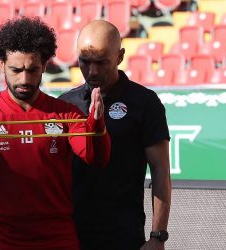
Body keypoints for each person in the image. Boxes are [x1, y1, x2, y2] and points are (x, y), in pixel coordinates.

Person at [0, 17, 111, 250]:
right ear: (1, 64)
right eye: (16, 69)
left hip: (56, 237)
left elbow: (96, 158)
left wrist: (96, 125)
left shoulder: (65, 113)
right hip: (1, 237)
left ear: (44, 65)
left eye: (33, 70)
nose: (24, 79)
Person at [59, 20, 171, 250]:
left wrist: (157, 236)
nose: (92, 71)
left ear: (119, 57)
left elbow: (160, 170)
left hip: (123, 236)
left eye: (101, 62)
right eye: (85, 62)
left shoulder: (145, 103)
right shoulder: (65, 104)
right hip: (70, 235)